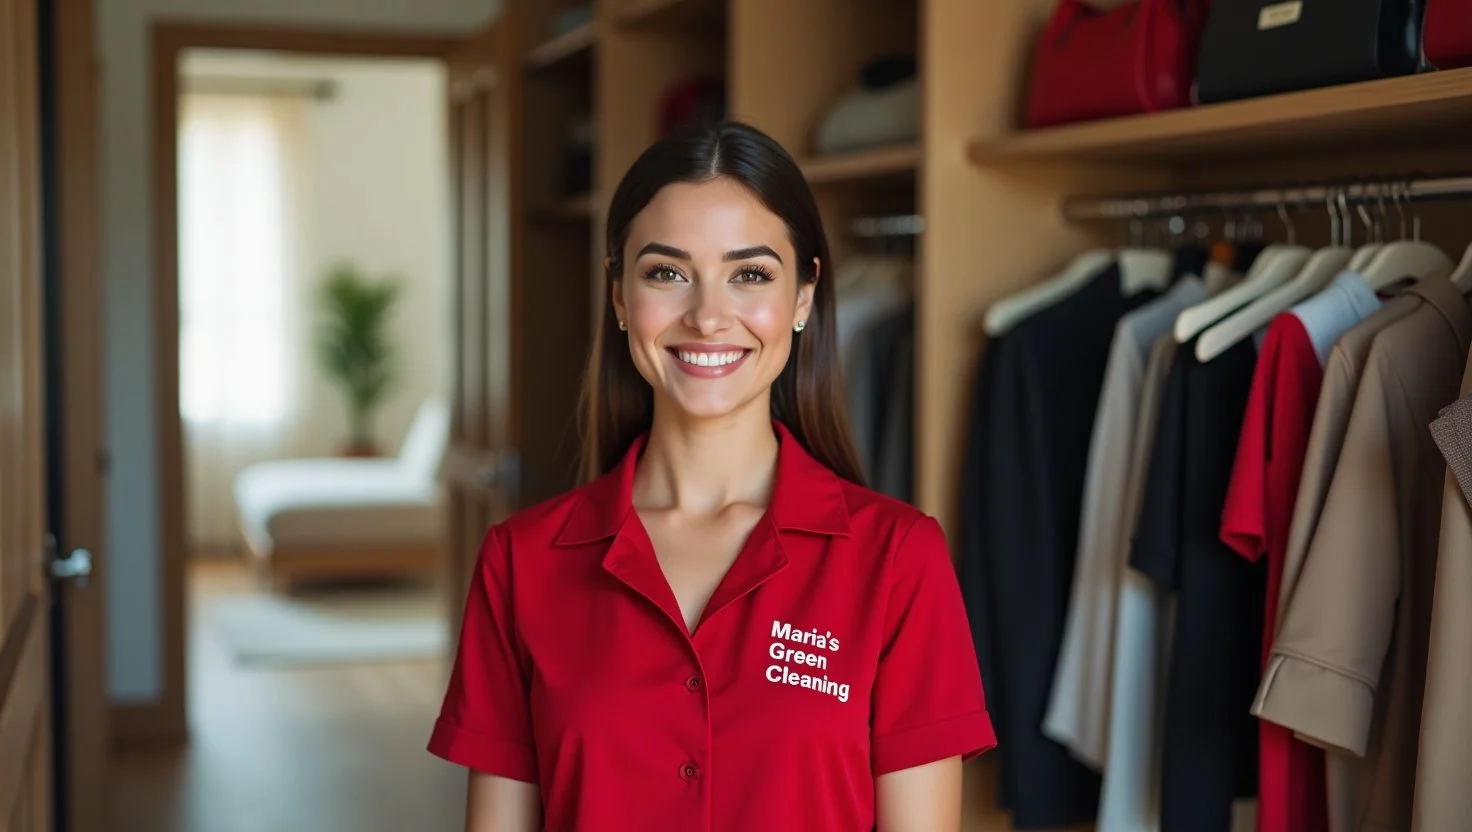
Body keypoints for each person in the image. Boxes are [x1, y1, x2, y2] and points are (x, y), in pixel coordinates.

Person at [427, 120, 994, 831]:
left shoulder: (898, 558)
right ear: (618, 296)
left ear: (803, 298)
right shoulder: (522, 561)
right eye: (666, 273)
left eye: (749, 274)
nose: (707, 316)